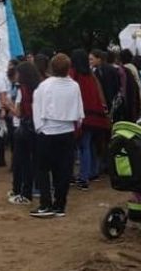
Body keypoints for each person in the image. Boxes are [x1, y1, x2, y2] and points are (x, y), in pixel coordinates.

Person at [31, 53, 84, 218]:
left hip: (47, 131)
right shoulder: (74, 85)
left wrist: (39, 128)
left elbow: (37, 107)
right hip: (67, 131)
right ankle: (60, 205)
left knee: (42, 169)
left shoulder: (44, 86)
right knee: (63, 170)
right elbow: (79, 111)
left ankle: (45, 204)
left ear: (51, 67)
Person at [69, 50, 110, 191]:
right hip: (96, 116)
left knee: (82, 146)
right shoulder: (91, 75)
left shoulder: (74, 75)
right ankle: (92, 172)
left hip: (82, 116)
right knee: (90, 145)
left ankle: (83, 177)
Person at [8, 61, 42, 205]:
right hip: (37, 128)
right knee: (35, 162)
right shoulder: (40, 88)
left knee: (23, 162)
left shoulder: (23, 90)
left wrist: (7, 104)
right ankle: (31, 190)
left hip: (25, 127)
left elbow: (18, 113)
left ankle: (24, 193)